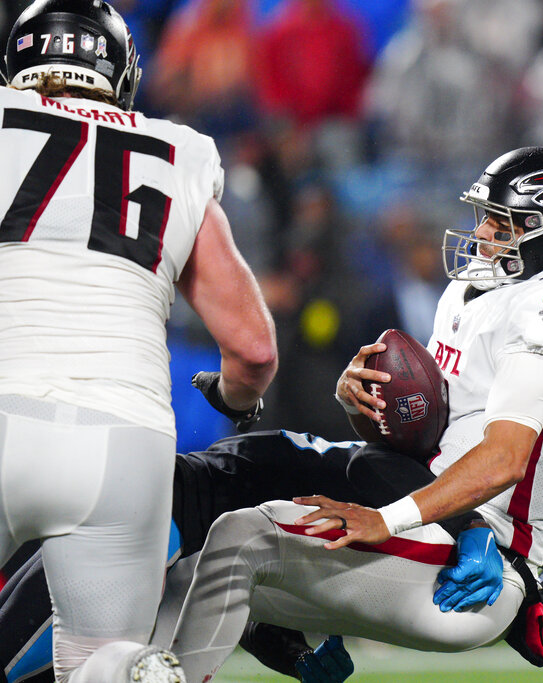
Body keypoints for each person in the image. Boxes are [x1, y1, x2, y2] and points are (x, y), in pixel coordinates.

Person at [165, 145, 543, 681]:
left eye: (506, 223)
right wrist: (362, 403)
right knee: (227, 481)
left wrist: (384, 518)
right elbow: (418, 439)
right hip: (421, 504)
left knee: (244, 535)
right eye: (488, 218)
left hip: (482, 561)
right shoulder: (468, 294)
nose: (485, 233)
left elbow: (504, 460)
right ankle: (284, 649)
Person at [0, 0, 278, 680]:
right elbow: (253, 347)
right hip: (127, 437)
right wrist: (236, 400)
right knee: (100, 659)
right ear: (121, 72)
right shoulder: (178, 152)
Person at [0, 427, 539, 683]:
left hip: (162, 519)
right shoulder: (386, 471)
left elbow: (242, 597)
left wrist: (294, 658)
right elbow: (371, 467)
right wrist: (469, 524)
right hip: (163, 516)